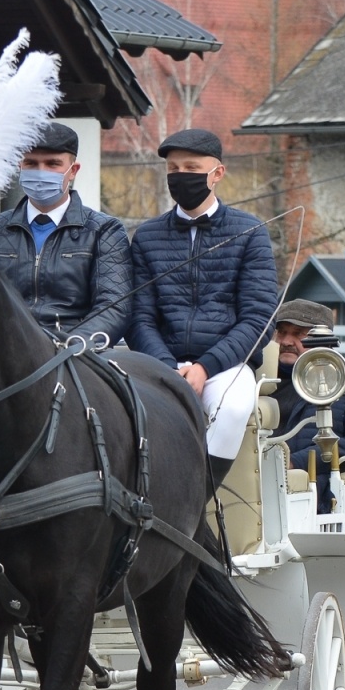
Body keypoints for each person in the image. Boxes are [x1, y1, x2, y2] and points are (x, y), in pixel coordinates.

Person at [128, 128, 279, 487]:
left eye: (192, 167)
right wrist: (167, 368)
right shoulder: (147, 236)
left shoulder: (251, 231)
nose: (181, 176)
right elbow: (139, 317)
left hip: (226, 365)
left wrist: (204, 368)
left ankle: (194, 498)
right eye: (173, 169)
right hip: (161, 361)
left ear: (217, 173)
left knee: (233, 408)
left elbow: (259, 318)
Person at [0, 122, 132, 342]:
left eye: (53, 164)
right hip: (5, 355)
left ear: (73, 170)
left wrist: (68, 346)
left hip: (75, 357)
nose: (41, 172)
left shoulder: (103, 231)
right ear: (19, 167)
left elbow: (115, 305)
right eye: (31, 163)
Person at [270, 300, 345, 511]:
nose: (286, 341)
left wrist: (294, 462)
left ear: (324, 341)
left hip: (318, 498)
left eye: (298, 334)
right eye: (281, 332)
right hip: (256, 483)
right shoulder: (256, 380)